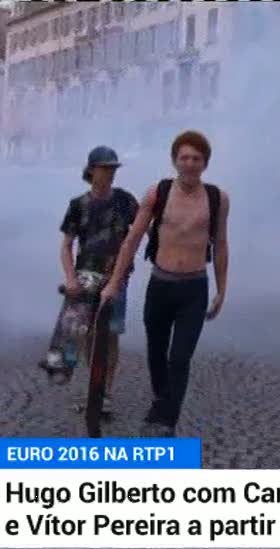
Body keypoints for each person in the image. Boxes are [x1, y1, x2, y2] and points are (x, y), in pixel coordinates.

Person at [101, 131, 230, 436]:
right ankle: (161, 401)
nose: (190, 163)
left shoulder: (217, 198)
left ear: (205, 163)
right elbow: (132, 240)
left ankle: (166, 421)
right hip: (160, 286)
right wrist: (114, 283)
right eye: (184, 157)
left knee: (180, 358)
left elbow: (221, 245)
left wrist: (221, 290)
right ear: (175, 161)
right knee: (156, 354)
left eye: (196, 158)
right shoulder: (157, 193)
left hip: (194, 289)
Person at [59, 146, 139, 415]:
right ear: (92, 170)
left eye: (113, 168)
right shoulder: (78, 205)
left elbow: (142, 230)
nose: (110, 173)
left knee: (111, 334)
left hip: (117, 276)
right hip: (86, 277)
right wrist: (70, 278)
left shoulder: (125, 201)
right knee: (88, 334)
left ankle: (106, 393)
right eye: (105, 168)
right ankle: (95, 387)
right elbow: (66, 245)